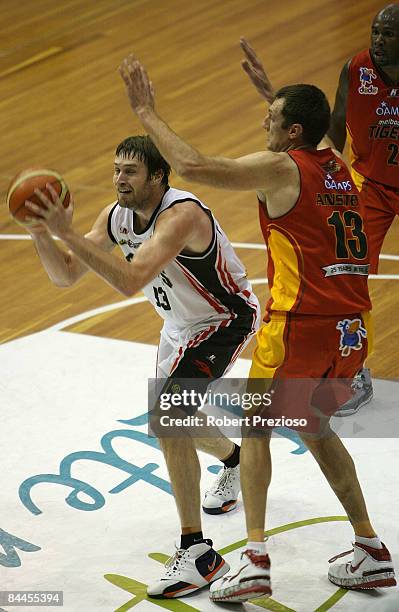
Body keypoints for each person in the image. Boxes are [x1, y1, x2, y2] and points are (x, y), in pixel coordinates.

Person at [119, 55, 396, 601]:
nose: (261, 125)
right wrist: (281, 98)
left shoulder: (282, 169)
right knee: (315, 429)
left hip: (301, 325)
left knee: (253, 430)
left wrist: (147, 113)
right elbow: (306, 139)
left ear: (293, 131)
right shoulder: (338, 165)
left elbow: (195, 166)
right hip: (351, 329)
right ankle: (370, 549)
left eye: (270, 118)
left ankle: (253, 558)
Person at [23, 135, 261, 598]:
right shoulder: (117, 216)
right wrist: (39, 232)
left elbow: (131, 280)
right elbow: (66, 274)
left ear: (157, 176)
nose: (118, 179)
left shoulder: (182, 215)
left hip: (223, 318)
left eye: (129, 171)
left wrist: (67, 231)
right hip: (178, 326)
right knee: (173, 419)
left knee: (167, 418)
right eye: (115, 170)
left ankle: (198, 555)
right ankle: (234, 459)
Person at [240, 5, 399, 415]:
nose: (378, 41)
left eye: (389, 34)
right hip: (373, 183)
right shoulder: (356, 69)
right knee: (352, 268)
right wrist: (326, 181)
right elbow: (328, 133)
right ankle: (354, 367)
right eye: (375, 32)